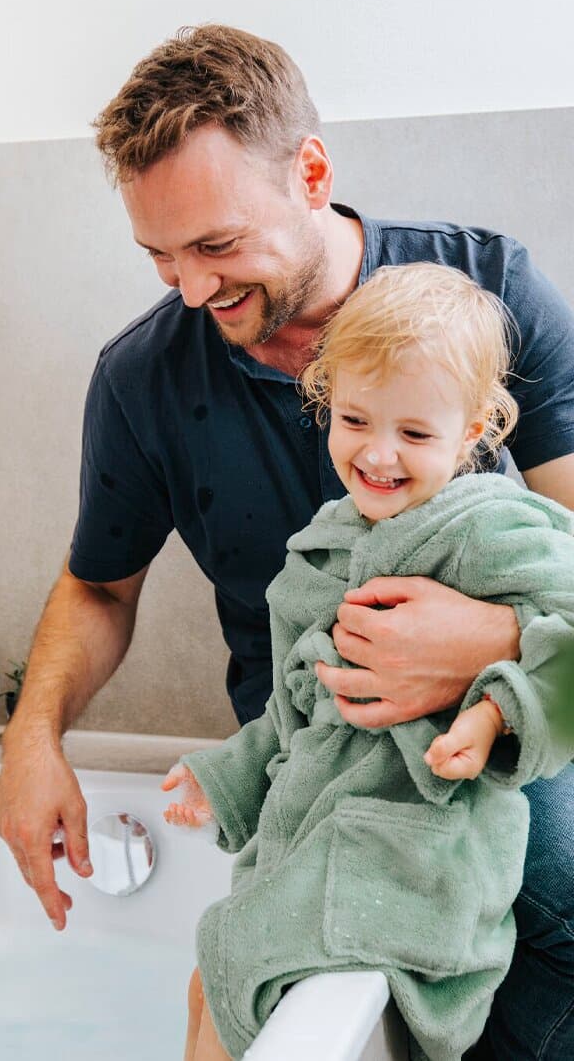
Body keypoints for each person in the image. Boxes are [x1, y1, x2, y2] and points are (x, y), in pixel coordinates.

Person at [0, 25, 574, 1058]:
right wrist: (31, 744)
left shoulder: (483, 296)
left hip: (492, 737)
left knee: (557, 894)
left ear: (309, 172)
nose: (190, 289)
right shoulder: (143, 378)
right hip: (304, 744)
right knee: (229, 971)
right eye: (159, 255)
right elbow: (99, 588)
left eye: (215, 246)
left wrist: (484, 639)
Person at [162, 262, 574, 1061]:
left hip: (416, 857)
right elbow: (296, 711)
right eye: (355, 419)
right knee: (206, 981)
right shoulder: (326, 543)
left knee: (233, 994)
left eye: (416, 434)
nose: (379, 454)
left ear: (478, 427)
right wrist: (223, 776)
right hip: (317, 843)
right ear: (324, 395)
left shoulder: (492, 529)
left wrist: (497, 710)